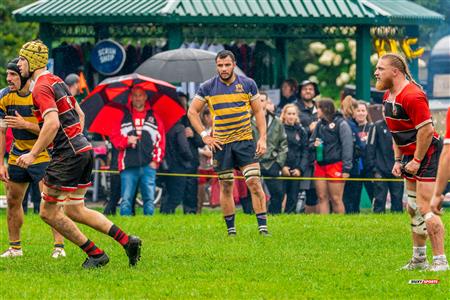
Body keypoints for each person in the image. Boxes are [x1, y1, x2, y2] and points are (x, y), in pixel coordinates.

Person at [17, 40, 142, 268]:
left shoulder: (41, 87)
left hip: (68, 154)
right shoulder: (57, 82)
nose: (19, 65)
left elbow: (52, 123)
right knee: (76, 209)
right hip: (83, 148)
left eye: (22, 60)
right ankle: (128, 241)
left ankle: (96, 255)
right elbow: (80, 114)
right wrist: (74, 138)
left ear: (30, 62)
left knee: (47, 212)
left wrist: (33, 154)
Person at [375, 52, 447, 271]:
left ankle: (441, 262)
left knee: (426, 208)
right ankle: (419, 260)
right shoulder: (387, 96)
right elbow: (396, 132)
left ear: (395, 72)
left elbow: (426, 131)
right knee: (413, 208)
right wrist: (398, 159)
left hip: (428, 153)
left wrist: (416, 160)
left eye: (380, 68)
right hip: (409, 155)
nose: (376, 73)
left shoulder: (413, 95)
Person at [188, 50, 268, 236]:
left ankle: (263, 229)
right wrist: (205, 135)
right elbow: (192, 112)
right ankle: (231, 231)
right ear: (216, 66)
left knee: (254, 182)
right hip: (221, 144)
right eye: (220, 65)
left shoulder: (248, 84)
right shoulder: (207, 87)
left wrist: (263, 138)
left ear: (234, 64)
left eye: (227, 65)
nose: (223, 69)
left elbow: (258, 112)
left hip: (245, 141)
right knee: (226, 185)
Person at [0, 58, 65, 258]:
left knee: (49, 202)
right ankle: (15, 248)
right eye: (8, 75)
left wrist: (25, 125)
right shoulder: (4, 96)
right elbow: (1, 132)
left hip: (42, 154)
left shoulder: (39, 94)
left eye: (13, 74)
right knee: (12, 200)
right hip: (17, 155)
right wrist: (0, 163)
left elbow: (53, 128)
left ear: (25, 76)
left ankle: (59, 248)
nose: (9, 78)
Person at [110, 85, 165, 216]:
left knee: (149, 200)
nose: (137, 98)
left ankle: (150, 228)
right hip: (128, 165)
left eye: (140, 95)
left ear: (145, 97)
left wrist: (156, 161)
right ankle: (126, 230)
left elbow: (161, 140)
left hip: (148, 165)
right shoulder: (123, 116)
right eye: (135, 95)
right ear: (131, 97)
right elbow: (114, 138)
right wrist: (126, 141)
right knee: (126, 200)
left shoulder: (154, 117)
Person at [309, 99, 353, 214]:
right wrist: (314, 144)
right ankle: (325, 226)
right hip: (320, 164)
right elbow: (311, 142)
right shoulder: (319, 124)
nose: (316, 110)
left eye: (318, 108)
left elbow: (347, 146)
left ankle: (339, 226)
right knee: (322, 197)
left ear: (325, 109)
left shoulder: (341, 123)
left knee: (336, 198)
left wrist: (346, 168)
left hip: (336, 165)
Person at [252, 92, 287, 214]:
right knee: (253, 191)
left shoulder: (276, 121)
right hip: (254, 161)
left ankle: (274, 214)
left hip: (272, 162)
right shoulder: (248, 121)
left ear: (267, 102)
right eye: (258, 100)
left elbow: (283, 144)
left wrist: (279, 163)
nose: (260, 103)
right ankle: (254, 215)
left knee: (278, 193)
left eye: (262, 100)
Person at [366, 107, 404, 213]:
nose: (385, 113)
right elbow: (370, 148)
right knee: (379, 199)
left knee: (397, 199)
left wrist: (403, 165)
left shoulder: (401, 127)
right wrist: (374, 168)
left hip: (397, 169)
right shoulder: (376, 126)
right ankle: (378, 223)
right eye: (383, 111)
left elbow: (405, 147)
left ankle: (397, 223)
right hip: (380, 170)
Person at [341, 97, 373, 214]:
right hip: (355, 166)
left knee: (373, 192)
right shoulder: (349, 126)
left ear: (367, 112)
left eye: (363, 110)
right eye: (358, 110)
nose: (360, 113)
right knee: (354, 194)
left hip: (369, 166)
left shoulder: (372, 127)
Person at [295, 80, 320, 213]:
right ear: (300, 91)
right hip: (300, 154)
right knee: (298, 188)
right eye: (305, 89)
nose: (308, 91)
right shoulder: (294, 108)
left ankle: (311, 216)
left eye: (311, 89)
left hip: (317, 154)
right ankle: (294, 213)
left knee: (314, 190)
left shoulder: (319, 108)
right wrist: (307, 129)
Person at [280, 104, 309, 213]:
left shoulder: (301, 131)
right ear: (284, 115)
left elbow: (305, 151)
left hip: (296, 170)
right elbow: (275, 149)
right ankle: (276, 218)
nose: (291, 116)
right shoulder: (279, 129)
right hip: (281, 169)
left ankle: (289, 217)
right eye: (289, 114)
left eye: (293, 114)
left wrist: (300, 169)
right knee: (279, 196)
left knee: (293, 197)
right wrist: (282, 167)